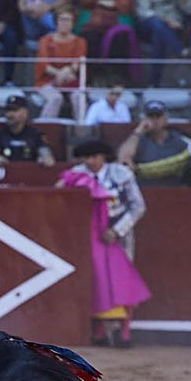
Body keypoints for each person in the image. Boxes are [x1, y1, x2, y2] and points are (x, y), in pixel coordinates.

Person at [56, 138, 149, 348]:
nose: (90, 161)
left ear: (103, 157)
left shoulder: (121, 174)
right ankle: (99, 332)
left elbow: (138, 206)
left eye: (94, 157)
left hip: (119, 235)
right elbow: (59, 196)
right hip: (89, 238)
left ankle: (123, 332)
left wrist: (117, 230)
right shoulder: (77, 173)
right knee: (97, 282)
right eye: (87, 157)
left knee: (123, 282)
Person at [75, 0, 139, 85]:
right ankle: (90, 80)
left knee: (120, 38)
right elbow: (86, 0)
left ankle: (116, 80)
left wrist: (100, 2)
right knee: (89, 37)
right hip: (93, 24)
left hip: (115, 23)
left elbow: (124, 4)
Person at [134, 0, 191, 87]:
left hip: (175, 27)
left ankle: (153, 83)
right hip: (149, 25)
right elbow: (143, 11)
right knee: (157, 25)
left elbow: (188, 9)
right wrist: (166, 20)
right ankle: (180, 50)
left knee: (159, 37)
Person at [115, 99, 191, 186]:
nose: (155, 120)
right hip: (145, 191)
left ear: (166, 119)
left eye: (158, 116)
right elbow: (123, 160)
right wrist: (138, 131)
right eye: (151, 116)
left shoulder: (179, 140)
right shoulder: (138, 140)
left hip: (174, 191)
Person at [33, 7, 86, 121]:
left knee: (79, 97)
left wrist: (66, 73)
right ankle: (45, 130)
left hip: (70, 80)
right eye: (62, 20)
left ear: (73, 23)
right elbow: (44, 65)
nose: (65, 23)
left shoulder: (80, 42)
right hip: (47, 80)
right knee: (56, 98)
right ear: (56, 21)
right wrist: (60, 74)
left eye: (68, 20)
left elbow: (76, 64)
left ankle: (82, 130)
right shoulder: (45, 40)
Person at [0, 94, 55, 168]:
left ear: (25, 113)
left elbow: (45, 152)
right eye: (8, 110)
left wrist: (46, 158)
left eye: (14, 110)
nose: (9, 114)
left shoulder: (35, 134)